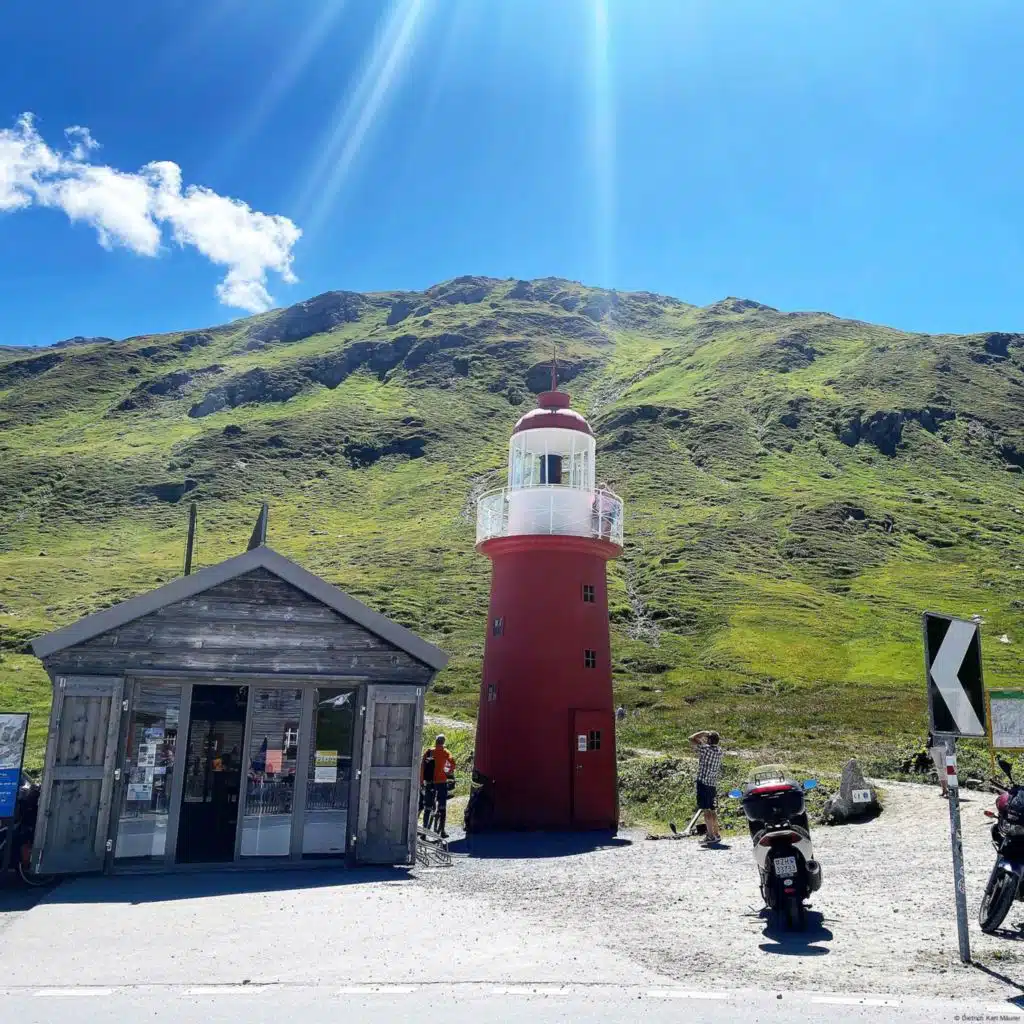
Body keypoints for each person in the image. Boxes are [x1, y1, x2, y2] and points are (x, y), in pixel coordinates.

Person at [689, 729, 723, 845]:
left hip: (703, 783)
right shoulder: (719, 751)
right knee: (713, 810)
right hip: (712, 784)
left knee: (706, 810)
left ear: (709, 740)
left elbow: (691, 738)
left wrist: (703, 732)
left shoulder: (706, 750)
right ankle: (716, 834)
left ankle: (710, 836)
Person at [422, 734, 456, 837]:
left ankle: (424, 832)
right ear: (443, 742)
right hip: (441, 782)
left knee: (427, 807)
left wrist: (421, 781)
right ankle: (442, 831)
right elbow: (452, 765)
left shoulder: (429, 751)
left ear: (435, 741)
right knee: (442, 806)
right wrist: (447, 772)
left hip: (430, 783)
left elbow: (422, 767)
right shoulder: (446, 752)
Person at [927, 731, 949, 798]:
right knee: (939, 768)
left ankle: (951, 789)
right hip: (934, 747)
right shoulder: (934, 723)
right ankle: (944, 790)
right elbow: (930, 733)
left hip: (946, 746)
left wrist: (951, 742)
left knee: (947, 768)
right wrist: (928, 746)